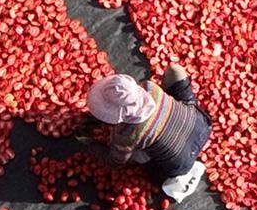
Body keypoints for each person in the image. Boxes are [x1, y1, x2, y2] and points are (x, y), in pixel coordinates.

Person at [83, 71, 211, 202]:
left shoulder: (124, 135)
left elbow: (115, 163)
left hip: (181, 165)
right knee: (174, 72)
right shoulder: (149, 87)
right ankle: (176, 114)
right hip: (203, 125)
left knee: (135, 153)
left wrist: (91, 144)